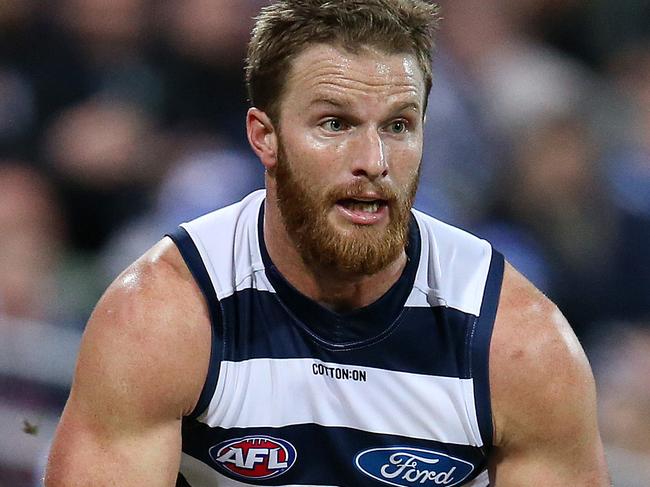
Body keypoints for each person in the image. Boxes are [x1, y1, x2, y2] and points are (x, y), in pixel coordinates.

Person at [44, 1, 610, 485]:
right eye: (335, 124)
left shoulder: (520, 343)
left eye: (398, 125)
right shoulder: (163, 314)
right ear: (264, 137)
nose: (374, 162)